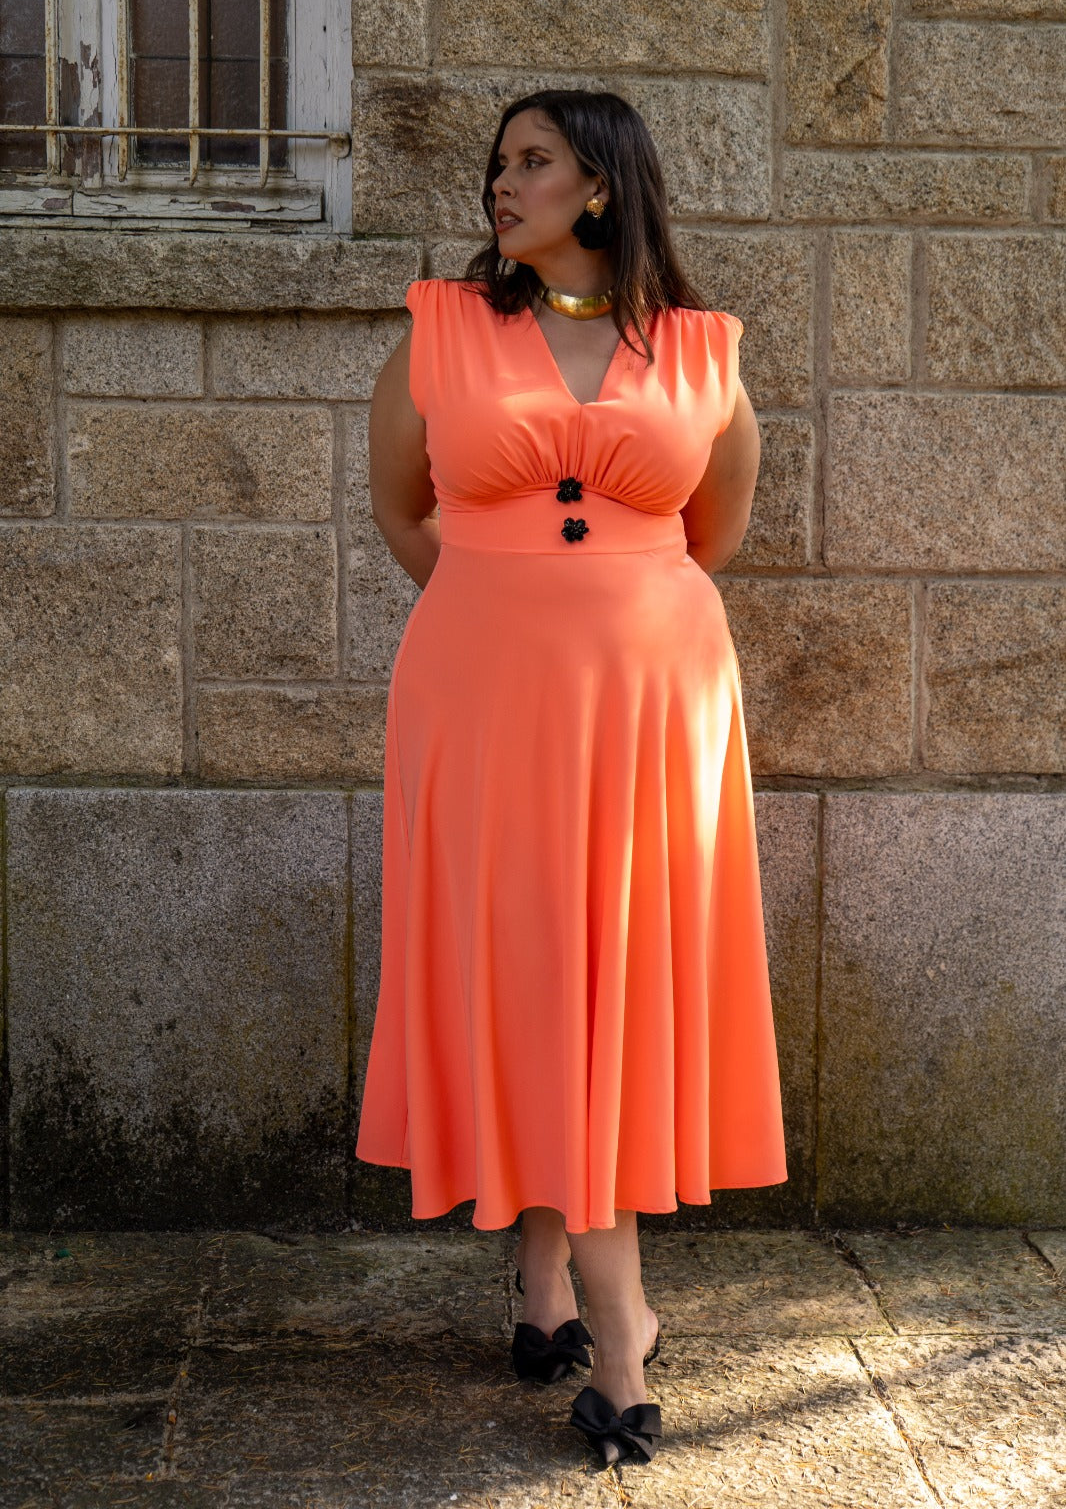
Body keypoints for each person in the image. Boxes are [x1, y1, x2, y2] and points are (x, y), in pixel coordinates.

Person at [355, 88, 788, 1469]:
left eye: (532, 161)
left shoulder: (702, 349)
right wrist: (504, 607)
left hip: (654, 706)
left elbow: (709, 532)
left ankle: (553, 1293)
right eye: (499, 163)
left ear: (600, 185)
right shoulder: (439, 330)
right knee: (538, 970)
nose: (503, 182)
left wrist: (603, 615)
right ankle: (621, 1335)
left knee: (605, 980)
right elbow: (401, 508)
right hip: (482, 701)